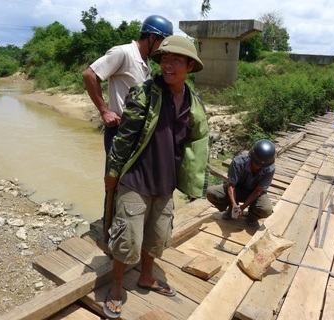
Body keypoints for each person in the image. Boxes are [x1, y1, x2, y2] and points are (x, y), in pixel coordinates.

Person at [102, 35, 209, 318]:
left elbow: (195, 146)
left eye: (176, 60)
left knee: (157, 238)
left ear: (189, 65)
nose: (168, 65)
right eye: (164, 59)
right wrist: (112, 174)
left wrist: (192, 182)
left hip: (165, 185)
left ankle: (146, 277)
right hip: (136, 181)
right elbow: (124, 139)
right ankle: (115, 286)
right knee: (127, 240)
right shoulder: (143, 93)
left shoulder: (193, 102)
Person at [82, 15, 173, 231]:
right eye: (163, 43)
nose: (164, 50)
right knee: (114, 180)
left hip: (137, 135)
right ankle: (108, 230)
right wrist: (104, 111)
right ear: (152, 37)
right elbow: (89, 74)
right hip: (119, 132)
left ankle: (123, 226)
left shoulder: (146, 64)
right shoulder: (123, 52)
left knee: (130, 182)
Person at [206, 139, 275, 227]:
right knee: (210, 192)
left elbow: (258, 191)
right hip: (237, 189)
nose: (258, 167)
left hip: (254, 193)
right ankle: (230, 208)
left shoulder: (270, 168)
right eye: (256, 164)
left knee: (266, 210)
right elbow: (231, 186)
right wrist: (234, 205)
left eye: (262, 166)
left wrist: (243, 207)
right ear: (251, 158)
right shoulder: (238, 161)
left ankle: (251, 216)